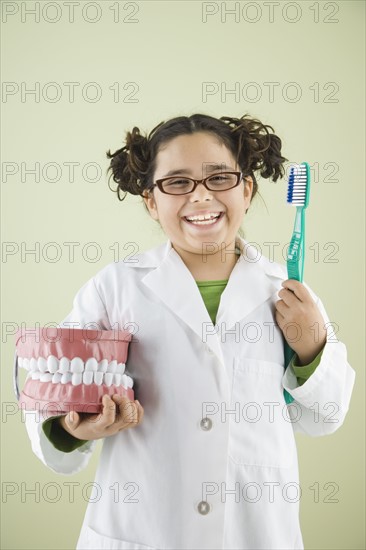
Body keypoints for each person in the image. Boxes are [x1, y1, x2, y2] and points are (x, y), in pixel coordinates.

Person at [22, 113, 355, 550]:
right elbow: (51, 391)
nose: (201, 196)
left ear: (247, 189)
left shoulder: (287, 293)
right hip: (142, 531)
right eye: (177, 182)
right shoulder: (115, 288)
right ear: (150, 201)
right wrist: (75, 429)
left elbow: (325, 417)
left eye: (220, 178)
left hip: (254, 532)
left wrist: (312, 346)